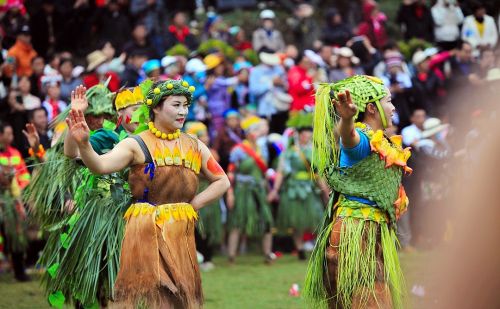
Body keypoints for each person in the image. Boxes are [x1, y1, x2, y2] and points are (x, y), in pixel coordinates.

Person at [66, 79, 229, 308]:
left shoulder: (195, 145)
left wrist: (193, 205)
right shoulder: (136, 144)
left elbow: (222, 181)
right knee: (139, 296)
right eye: (176, 105)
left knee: (181, 297)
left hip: (180, 229)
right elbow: (100, 166)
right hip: (143, 230)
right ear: (155, 108)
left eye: (185, 105)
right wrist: (84, 144)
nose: (183, 111)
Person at [304, 75, 411, 308]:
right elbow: (349, 138)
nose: (393, 107)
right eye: (388, 101)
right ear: (371, 108)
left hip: (372, 232)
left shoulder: (382, 142)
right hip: (355, 232)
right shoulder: (361, 141)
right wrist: (347, 120)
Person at [268, 112, 327, 260]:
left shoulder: (314, 152)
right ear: (298, 135)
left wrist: (325, 189)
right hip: (293, 188)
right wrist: (275, 190)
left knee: (316, 217)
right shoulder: (289, 153)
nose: (307, 136)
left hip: (309, 188)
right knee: (296, 220)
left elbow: (318, 173)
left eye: (309, 133)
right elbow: (281, 172)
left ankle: (319, 247)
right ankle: (299, 248)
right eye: (305, 133)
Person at [226, 115, 274, 264]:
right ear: (249, 132)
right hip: (242, 190)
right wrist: (230, 194)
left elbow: (263, 173)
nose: (260, 132)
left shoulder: (263, 150)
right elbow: (231, 173)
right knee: (238, 222)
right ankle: (232, 256)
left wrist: (269, 190)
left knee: (267, 221)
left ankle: (267, 254)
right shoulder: (238, 150)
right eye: (257, 129)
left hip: (259, 190)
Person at [186, 122, 223, 271]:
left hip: (209, 191)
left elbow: (216, 174)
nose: (207, 138)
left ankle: (208, 257)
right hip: (194, 191)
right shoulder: (188, 153)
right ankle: (195, 257)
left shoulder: (211, 152)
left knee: (209, 226)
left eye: (207, 134)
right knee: (196, 226)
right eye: (203, 135)